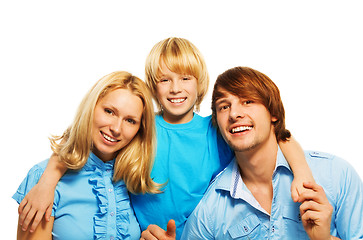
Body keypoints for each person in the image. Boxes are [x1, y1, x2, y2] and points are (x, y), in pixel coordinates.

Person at [17, 38, 314, 240]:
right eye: (164, 79)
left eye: (185, 78)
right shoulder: (140, 126)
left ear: (200, 84)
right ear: (153, 86)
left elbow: (277, 138)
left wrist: (301, 174)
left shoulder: (215, 129)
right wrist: (47, 181)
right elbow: (84, 141)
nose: (175, 88)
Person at [180, 66, 363, 239]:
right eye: (224, 106)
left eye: (248, 101)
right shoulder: (209, 209)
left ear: (273, 113)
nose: (234, 113)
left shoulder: (336, 175)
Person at [13, 71, 160, 239]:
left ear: (139, 130)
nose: (117, 129)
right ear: (91, 107)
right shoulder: (44, 179)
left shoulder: (134, 180)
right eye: (109, 111)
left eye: (130, 121)